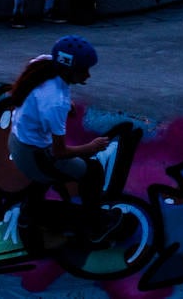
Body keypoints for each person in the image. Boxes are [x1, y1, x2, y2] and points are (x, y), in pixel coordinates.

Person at [7, 35, 122, 243]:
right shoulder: (55, 102)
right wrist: (90, 147)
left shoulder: (43, 63)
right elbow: (59, 152)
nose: (88, 75)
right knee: (93, 171)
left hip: (16, 141)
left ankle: (29, 210)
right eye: (84, 70)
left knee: (49, 172)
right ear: (69, 70)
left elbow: (40, 95)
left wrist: (65, 103)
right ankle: (95, 226)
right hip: (34, 156)